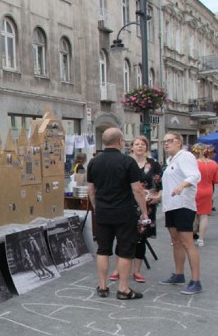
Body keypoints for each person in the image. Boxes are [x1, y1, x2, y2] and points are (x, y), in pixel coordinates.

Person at [86, 128, 149, 300]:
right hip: (124, 213)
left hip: (103, 212)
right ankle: (123, 289)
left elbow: (91, 189)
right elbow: (137, 189)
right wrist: (144, 212)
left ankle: (103, 286)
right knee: (125, 250)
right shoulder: (127, 162)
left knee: (103, 250)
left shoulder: (94, 162)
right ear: (120, 141)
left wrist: (96, 207)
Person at [109, 136, 162, 282]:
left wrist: (157, 196)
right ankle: (117, 268)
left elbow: (159, 184)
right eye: (137, 144)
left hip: (147, 205)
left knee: (141, 239)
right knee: (122, 237)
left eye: (143, 144)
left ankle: (137, 270)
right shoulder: (125, 161)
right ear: (131, 147)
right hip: (126, 204)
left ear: (146, 147)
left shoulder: (153, 164)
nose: (140, 146)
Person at [159, 132, 203, 295]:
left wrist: (182, 186)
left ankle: (196, 280)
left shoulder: (185, 156)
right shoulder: (171, 160)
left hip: (183, 205)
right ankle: (179, 274)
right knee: (175, 241)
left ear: (179, 142)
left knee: (187, 242)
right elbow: (170, 183)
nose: (166, 144)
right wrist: (159, 195)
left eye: (169, 141)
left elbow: (195, 175)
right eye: (164, 142)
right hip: (170, 205)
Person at [192, 144, 218, 247]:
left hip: (195, 190)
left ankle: (192, 232)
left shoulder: (194, 163)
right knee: (204, 215)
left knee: (192, 213)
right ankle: (201, 239)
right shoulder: (214, 164)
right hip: (208, 190)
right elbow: (216, 180)